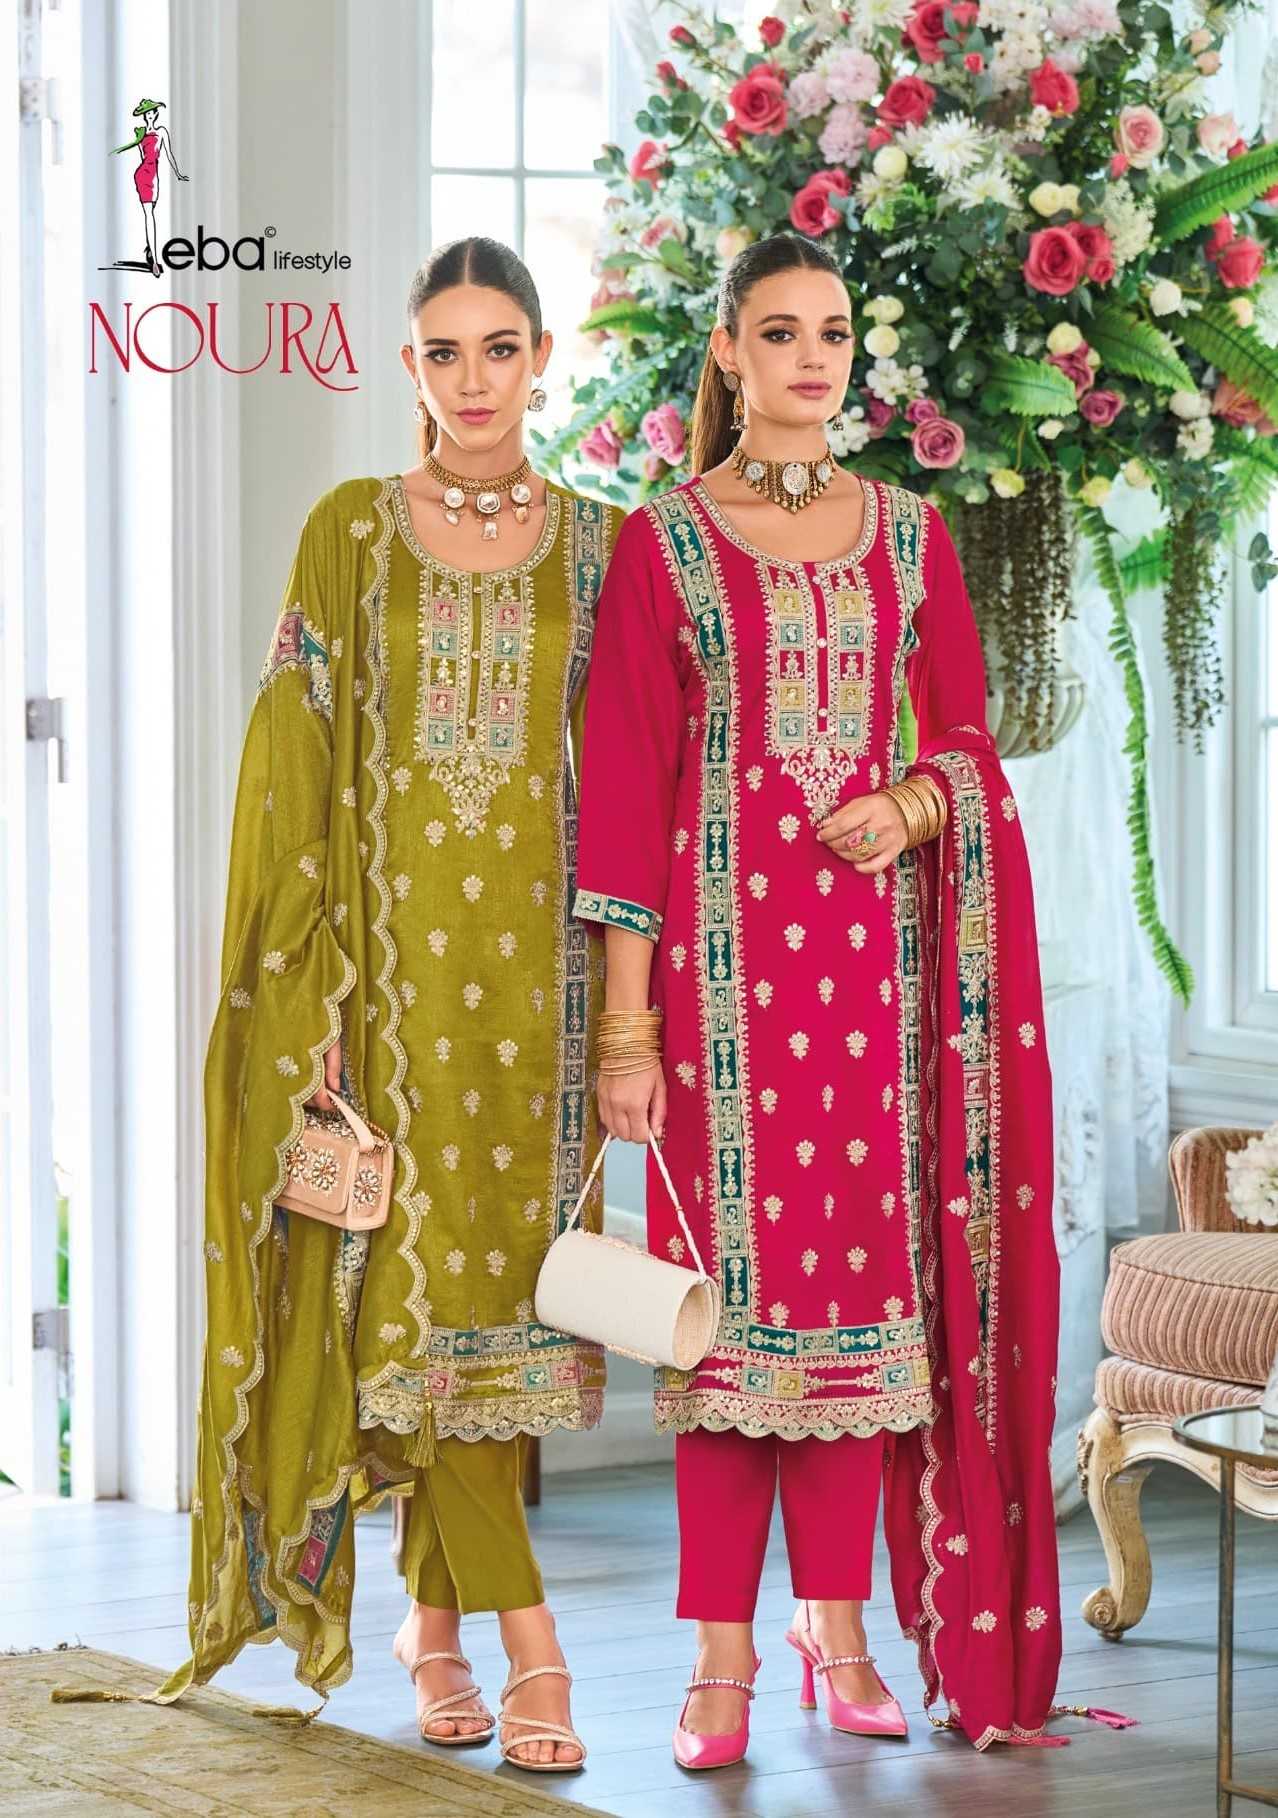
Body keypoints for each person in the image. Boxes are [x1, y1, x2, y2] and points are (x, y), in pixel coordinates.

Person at [574, 231, 1066, 1764]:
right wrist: (625, 1028)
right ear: (726, 350)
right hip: (715, 998)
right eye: (777, 331)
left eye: (832, 332)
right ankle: (717, 1658)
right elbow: (625, 789)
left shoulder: (910, 536)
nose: (809, 357)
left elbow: (967, 737)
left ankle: (837, 1630)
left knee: (856, 1325)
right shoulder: (663, 541)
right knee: (723, 1339)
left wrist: (912, 806)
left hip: (872, 985)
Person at [159, 238, 621, 1772]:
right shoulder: (349, 533)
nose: (471, 379)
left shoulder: (603, 547)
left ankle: (433, 1630)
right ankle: (531, 1641)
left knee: (495, 1320)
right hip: (385, 989)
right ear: (408, 365)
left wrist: (630, 1011)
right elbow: (293, 764)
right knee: (413, 1313)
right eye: (443, 350)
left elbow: (633, 782)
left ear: (541, 357)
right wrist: (312, 990)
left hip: (542, 1001)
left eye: (499, 348)